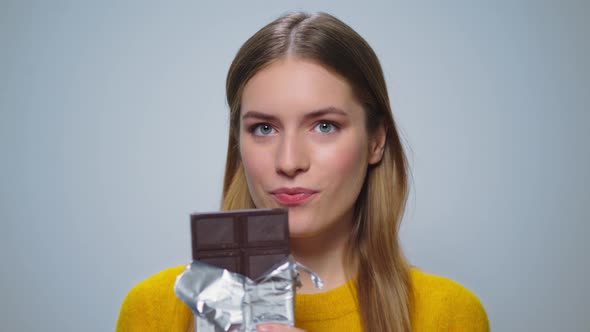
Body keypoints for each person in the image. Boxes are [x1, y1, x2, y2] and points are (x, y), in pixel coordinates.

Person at [116, 11, 489, 332]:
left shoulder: (447, 315)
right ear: (238, 143)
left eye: (324, 126)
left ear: (376, 141)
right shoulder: (157, 310)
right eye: (264, 128)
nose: (289, 161)